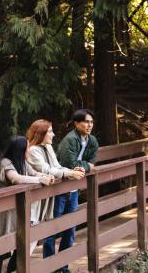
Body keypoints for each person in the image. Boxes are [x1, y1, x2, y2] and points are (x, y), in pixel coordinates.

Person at [0, 136, 54, 273]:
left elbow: (34, 173)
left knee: (20, 245)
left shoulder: (22, 162)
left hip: (13, 212)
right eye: (27, 147)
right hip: (0, 212)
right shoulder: (5, 162)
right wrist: (40, 179)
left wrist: (47, 176)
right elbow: (16, 179)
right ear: (20, 149)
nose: (29, 150)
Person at [44, 109, 99, 273]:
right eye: (86, 122)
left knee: (70, 229)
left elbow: (93, 162)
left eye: (91, 122)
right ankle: (50, 266)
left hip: (73, 190)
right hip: (60, 188)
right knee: (52, 228)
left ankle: (64, 266)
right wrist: (87, 166)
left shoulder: (92, 141)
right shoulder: (70, 140)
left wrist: (85, 166)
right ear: (76, 124)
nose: (89, 125)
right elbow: (69, 163)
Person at [26, 119, 86, 222]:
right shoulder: (32, 151)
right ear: (41, 134)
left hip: (49, 194)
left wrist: (72, 170)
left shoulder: (48, 146)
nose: (53, 134)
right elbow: (47, 170)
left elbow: (56, 166)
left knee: (55, 225)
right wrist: (70, 173)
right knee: (43, 229)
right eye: (50, 132)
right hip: (37, 197)